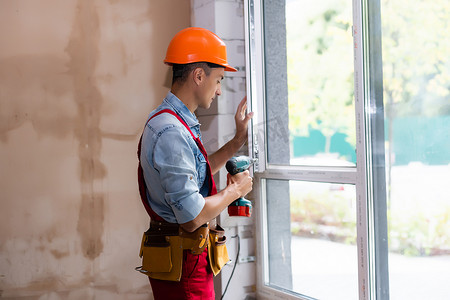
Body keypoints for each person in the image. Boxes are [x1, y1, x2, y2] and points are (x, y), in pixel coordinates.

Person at [137, 27, 253, 300]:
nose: (220, 90)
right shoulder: (172, 131)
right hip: (185, 265)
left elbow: (195, 172)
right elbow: (192, 217)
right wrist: (235, 191)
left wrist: (237, 142)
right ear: (198, 76)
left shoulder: (168, 120)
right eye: (218, 80)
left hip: (184, 261)